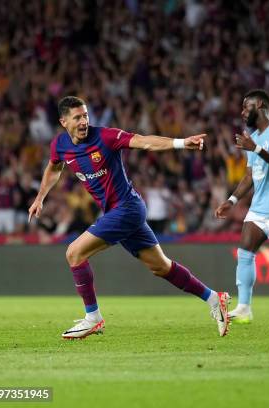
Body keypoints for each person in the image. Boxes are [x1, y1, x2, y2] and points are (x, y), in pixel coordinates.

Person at [28, 96, 231, 339]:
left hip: (126, 208)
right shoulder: (60, 145)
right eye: (77, 117)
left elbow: (144, 142)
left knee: (74, 253)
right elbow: (54, 167)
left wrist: (179, 143)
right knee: (161, 266)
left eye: (85, 116)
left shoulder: (105, 136)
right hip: (122, 212)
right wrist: (40, 197)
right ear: (63, 121)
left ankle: (93, 318)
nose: (83, 121)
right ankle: (214, 299)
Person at [215, 89, 269, 325]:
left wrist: (255, 148)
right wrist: (231, 201)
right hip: (259, 207)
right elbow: (250, 176)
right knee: (244, 251)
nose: (242, 112)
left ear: (260, 105)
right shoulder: (253, 137)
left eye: (246, 107)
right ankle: (244, 308)